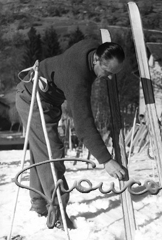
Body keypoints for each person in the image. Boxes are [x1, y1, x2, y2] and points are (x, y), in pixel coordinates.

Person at [15, 39, 126, 229]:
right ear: (96, 59)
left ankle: (39, 205)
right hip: (32, 98)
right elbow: (83, 126)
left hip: (48, 101)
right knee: (51, 154)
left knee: (41, 151)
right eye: (106, 72)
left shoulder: (92, 47)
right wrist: (106, 160)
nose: (108, 78)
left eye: (113, 74)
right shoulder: (77, 78)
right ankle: (57, 212)